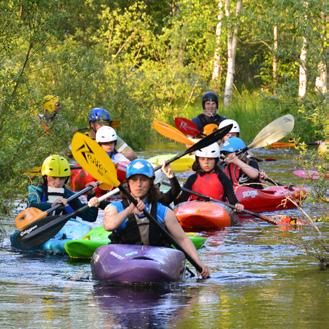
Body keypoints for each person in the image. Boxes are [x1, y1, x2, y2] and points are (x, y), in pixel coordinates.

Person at [102, 159, 209, 278]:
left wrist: (198, 263)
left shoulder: (163, 211)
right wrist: (130, 209)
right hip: (122, 261)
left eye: (143, 180)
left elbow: (182, 239)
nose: (138, 184)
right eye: (134, 180)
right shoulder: (114, 208)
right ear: (128, 183)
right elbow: (109, 225)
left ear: (151, 182)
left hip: (156, 261)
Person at [175, 143, 244, 213]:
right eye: (202, 159)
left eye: (210, 159)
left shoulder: (223, 178)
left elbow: (232, 201)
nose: (206, 162)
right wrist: (174, 188)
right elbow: (180, 202)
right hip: (195, 211)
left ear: (216, 160)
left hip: (216, 211)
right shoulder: (192, 179)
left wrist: (237, 205)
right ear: (198, 160)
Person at [28, 154, 98, 221]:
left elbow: (90, 217)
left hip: (66, 228)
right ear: (46, 177)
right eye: (54, 177)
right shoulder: (35, 190)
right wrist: (52, 205)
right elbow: (32, 206)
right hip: (42, 226)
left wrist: (91, 196)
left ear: (66, 178)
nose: (58, 182)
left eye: (61, 178)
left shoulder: (70, 195)